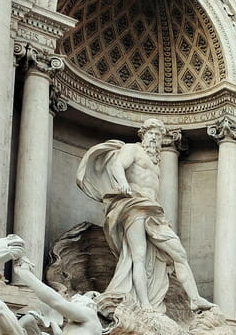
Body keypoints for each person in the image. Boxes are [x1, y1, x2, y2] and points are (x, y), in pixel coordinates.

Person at [76, 118, 213, 314]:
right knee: (138, 256)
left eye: (158, 135)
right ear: (143, 134)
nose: (155, 138)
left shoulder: (156, 163)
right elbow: (116, 166)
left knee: (179, 254)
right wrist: (122, 183)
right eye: (152, 134)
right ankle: (144, 304)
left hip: (153, 211)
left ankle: (194, 299)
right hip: (134, 206)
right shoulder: (133, 149)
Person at [13, 258, 103, 335]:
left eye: (76, 301)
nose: (71, 303)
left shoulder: (89, 313)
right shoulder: (74, 329)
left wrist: (25, 274)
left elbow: (56, 302)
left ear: (91, 305)